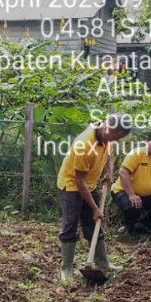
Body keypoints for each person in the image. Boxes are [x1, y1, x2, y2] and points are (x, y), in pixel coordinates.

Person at [57, 114, 132, 282]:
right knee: (70, 224)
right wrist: (95, 208)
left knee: (93, 223)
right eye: (114, 136)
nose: (114, 140)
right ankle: (66, 269)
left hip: (88, 184)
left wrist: (109, 172)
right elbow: (79, 182)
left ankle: (103, 262)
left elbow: (108, 153)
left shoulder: (108, 136)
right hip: (71, 185)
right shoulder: (84, 144)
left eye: (118, 138)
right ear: (106, 126)